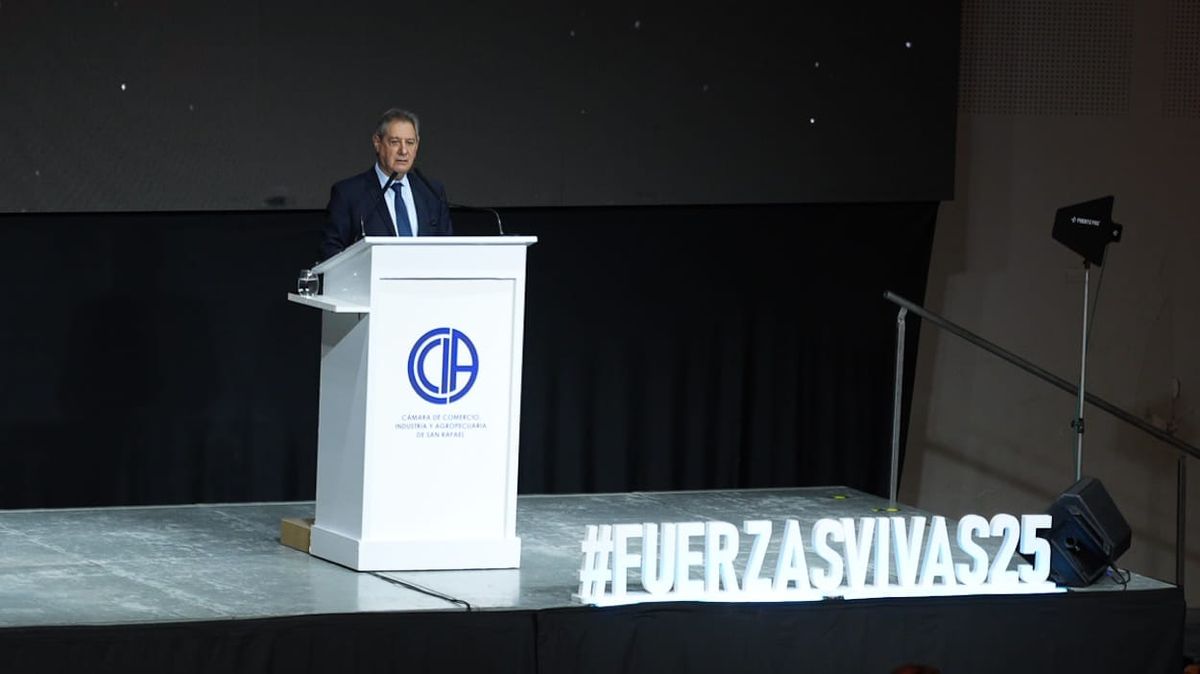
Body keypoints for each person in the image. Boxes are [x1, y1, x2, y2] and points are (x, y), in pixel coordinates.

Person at [320, 108, 453, 260]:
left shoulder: (432, 193)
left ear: (417, 146)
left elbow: (446, 251)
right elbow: (331, 251)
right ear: (377, 142)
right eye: (395, 142)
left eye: (410, 143)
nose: (403, 151)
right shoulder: (349, 194)